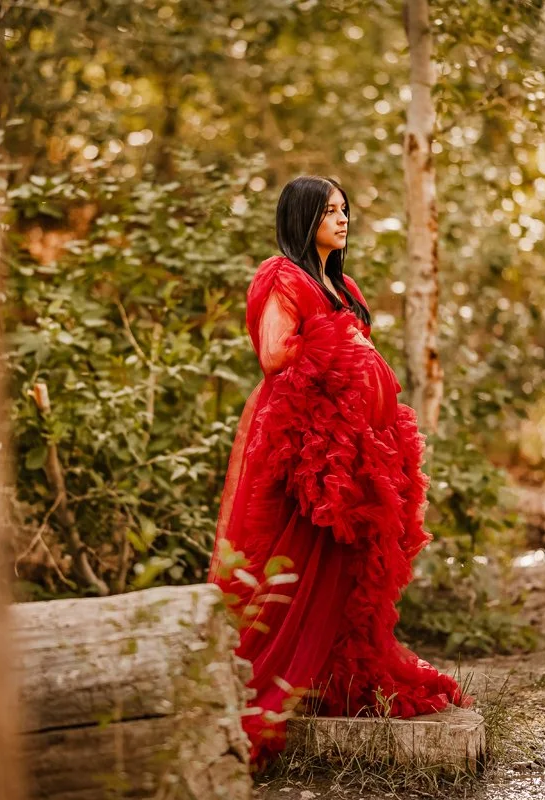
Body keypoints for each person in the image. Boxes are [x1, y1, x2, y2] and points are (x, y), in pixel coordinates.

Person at [208, 175, 471, 768]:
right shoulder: (282, 275)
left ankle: (327, 675)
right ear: (303, 217)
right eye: (330, 210)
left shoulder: (341, 283)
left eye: (345, 209)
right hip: (303, 444)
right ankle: (261, 688)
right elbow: (275, 354)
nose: (343, 218)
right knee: (295, 559)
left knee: (347, 567)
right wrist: (337, 337)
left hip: (355, 447)